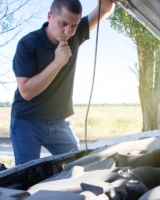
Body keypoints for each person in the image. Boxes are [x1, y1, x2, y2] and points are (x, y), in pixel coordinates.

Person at [10, 0, 114, 166]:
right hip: (27, 122)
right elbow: (26, 92)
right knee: (27, 177)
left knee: (79, 166)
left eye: (74, 26)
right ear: (49, 16)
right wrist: (57, 62)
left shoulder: (75, 34)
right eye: (63, 24)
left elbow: (105, 8)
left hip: (59, 122)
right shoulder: (28, 44)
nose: (68, 31)